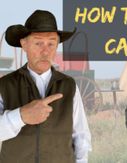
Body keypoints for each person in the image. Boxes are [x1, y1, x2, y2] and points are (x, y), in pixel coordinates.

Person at [0, 10, 91, 163]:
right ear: (24, 44)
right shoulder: (4, 85)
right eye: (38, 43)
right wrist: (21, 116)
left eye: (51, 43)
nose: (45, 51)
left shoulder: (69, 85)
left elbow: (80, 136)